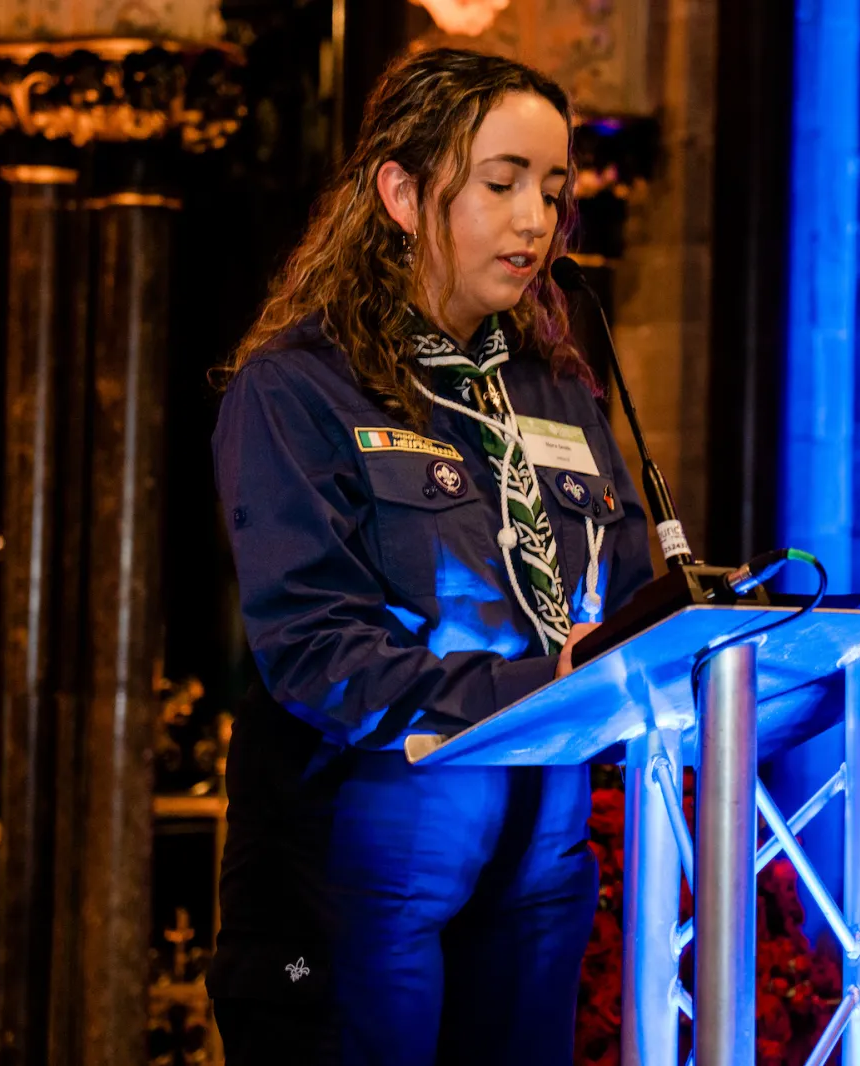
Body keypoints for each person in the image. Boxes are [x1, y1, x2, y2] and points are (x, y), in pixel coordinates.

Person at [206, 48, 653, 1066]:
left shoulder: (556, 388)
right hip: (357, 878)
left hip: (539, 880)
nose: (535, 220)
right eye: (501, 183)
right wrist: (547, 687)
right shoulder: (299, 387)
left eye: (552, 190)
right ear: (403, 194)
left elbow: (624, 598)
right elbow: (317, 652)